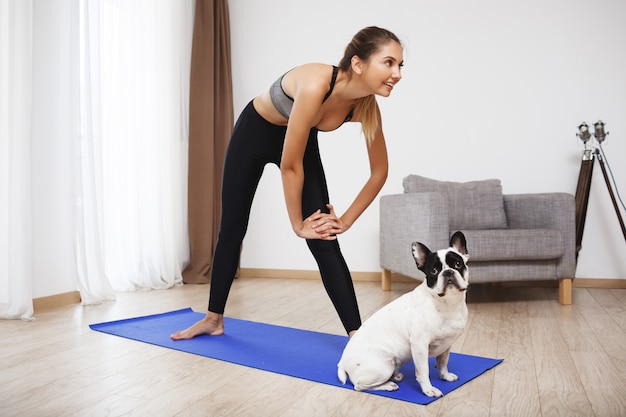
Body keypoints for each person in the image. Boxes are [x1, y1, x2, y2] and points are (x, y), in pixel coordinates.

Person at [171, 26, 403, 340]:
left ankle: (356, 336)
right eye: (389, 63)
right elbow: (290, 167)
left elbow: (379, 173)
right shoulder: (316, 84)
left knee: (324, 235)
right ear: (359, 63)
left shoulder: (365, 107)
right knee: (232, 229)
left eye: (400, 65)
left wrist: (344, 220)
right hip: (253, 134)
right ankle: (213, 318)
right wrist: (297, 223)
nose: (397, 73)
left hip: (300, 143)